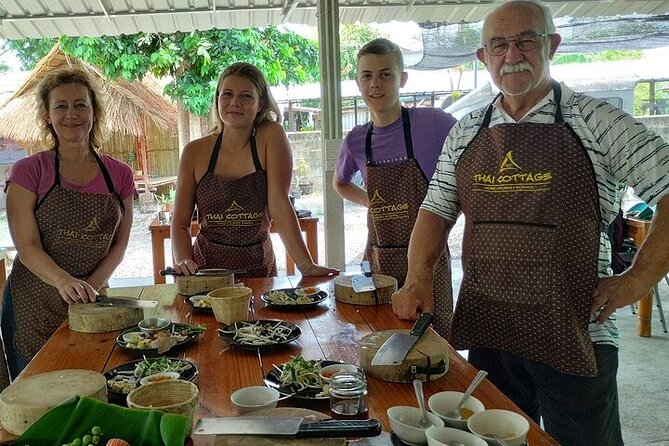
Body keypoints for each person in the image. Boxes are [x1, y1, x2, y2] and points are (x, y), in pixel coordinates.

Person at [391, 1, 669, 444]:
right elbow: (435, 209)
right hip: (490, 325)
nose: (511, 53)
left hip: (576, 330)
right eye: (498, 44)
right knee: (492, 438)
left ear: (552, 45)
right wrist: (417, 277)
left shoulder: (595, 120)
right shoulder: (466, 131)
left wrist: (637, 279)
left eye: (525, 40)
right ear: (483, 57)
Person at [1, 67, 136, 382]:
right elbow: (27, 245)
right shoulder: (30, 171)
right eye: (60, 105)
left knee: (89, 390)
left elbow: (120, 243)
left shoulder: (119, 175)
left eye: (80, 104)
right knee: (35, 399)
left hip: (91, 304)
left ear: (94, 112)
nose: (71, 114)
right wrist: (64, 282)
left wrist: (91, 285)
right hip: (33, 303)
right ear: (47, 115)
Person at [333, 38, 457, 335]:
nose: (376, 83)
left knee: (434, 344)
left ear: (402, 78)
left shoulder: (435, 123)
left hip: (429, 263)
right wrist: (370, 202)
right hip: (379, 260)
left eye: (385, 74)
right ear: (358, 82)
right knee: (381, 341)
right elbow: (340, 183)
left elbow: (471, 164)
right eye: (367, 75)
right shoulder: (356, 140)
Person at [170, 62, 337, 279]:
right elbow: (180, 222)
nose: (235, 103)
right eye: (227, 94)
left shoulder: (271, 137)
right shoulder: (194, 152)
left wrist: (307, 266)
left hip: (260, 270)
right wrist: (184, 262)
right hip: (206, 274)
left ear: (260, 104)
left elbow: (279, 203)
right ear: (217, 99)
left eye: (246, 96)